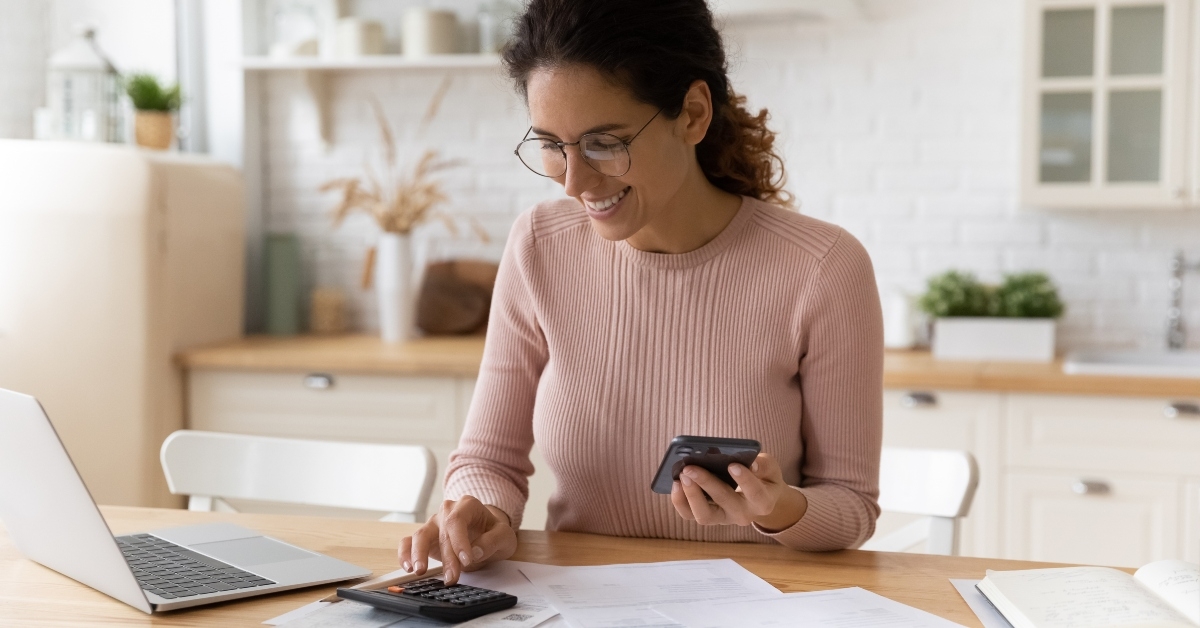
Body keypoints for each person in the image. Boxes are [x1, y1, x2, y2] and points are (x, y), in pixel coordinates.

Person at [399, 0, 883, 584]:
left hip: (754, 602)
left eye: (604, 142)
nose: (574, 182)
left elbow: (851, 506)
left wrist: (777, 508)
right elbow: (488, 459)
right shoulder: (539, 246)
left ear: (693, 114)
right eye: (551, 144)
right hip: (577, 603)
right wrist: (483, 511)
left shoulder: (823, 267)